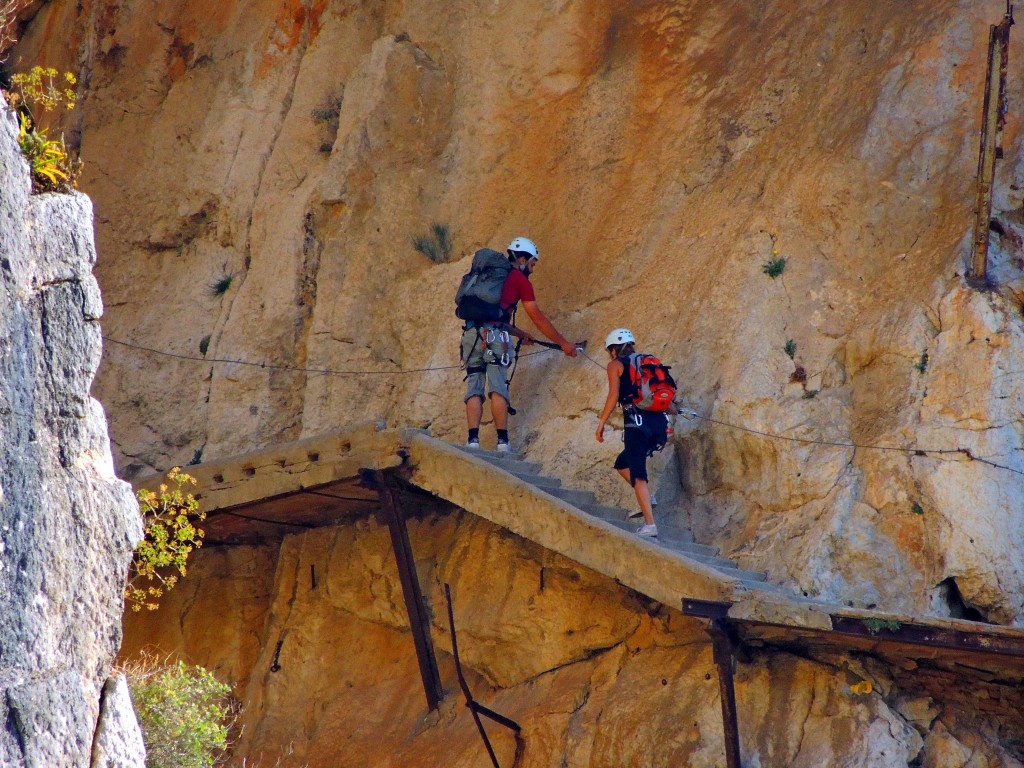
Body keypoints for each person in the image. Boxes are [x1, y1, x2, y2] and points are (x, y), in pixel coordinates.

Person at [462, 237, 577, 452]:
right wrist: (563, 343)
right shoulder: (519, 280)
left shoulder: (488, 276)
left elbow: (494, 317)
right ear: (522, 259)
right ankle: (503, 444)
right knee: (498, 388)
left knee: (474, 387)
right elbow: (537, 316)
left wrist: (520, 333)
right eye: (532, 264)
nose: (532, 269)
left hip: (470, 335)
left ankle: (472, 442)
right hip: (495, 338)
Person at [594, 328, 668, 537]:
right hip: (658, 425)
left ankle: (650, 525)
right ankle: (648, 498)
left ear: (613, 350)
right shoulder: (648, 362)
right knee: (622, 463)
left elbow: (613, 396)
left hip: (636, 425)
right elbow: (662, 394)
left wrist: (601, 424)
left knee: (638, 475)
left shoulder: (615, 365)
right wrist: (675, 410)